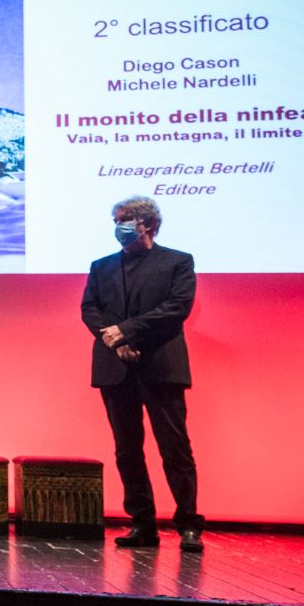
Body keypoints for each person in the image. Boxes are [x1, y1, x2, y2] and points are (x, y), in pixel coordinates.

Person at [81, 195, 203, 552]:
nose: (118, 227)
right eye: (116, 219)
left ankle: (189, 525)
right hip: (116, 367)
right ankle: (142, 523)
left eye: (125, 220)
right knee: (127, 450)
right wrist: (116, 341)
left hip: (160, 366)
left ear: (147, 224)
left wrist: (129, 332)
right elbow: (90, 310)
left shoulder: (177, 262)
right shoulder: (101, 266)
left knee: (175, 448)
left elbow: (176, 309)